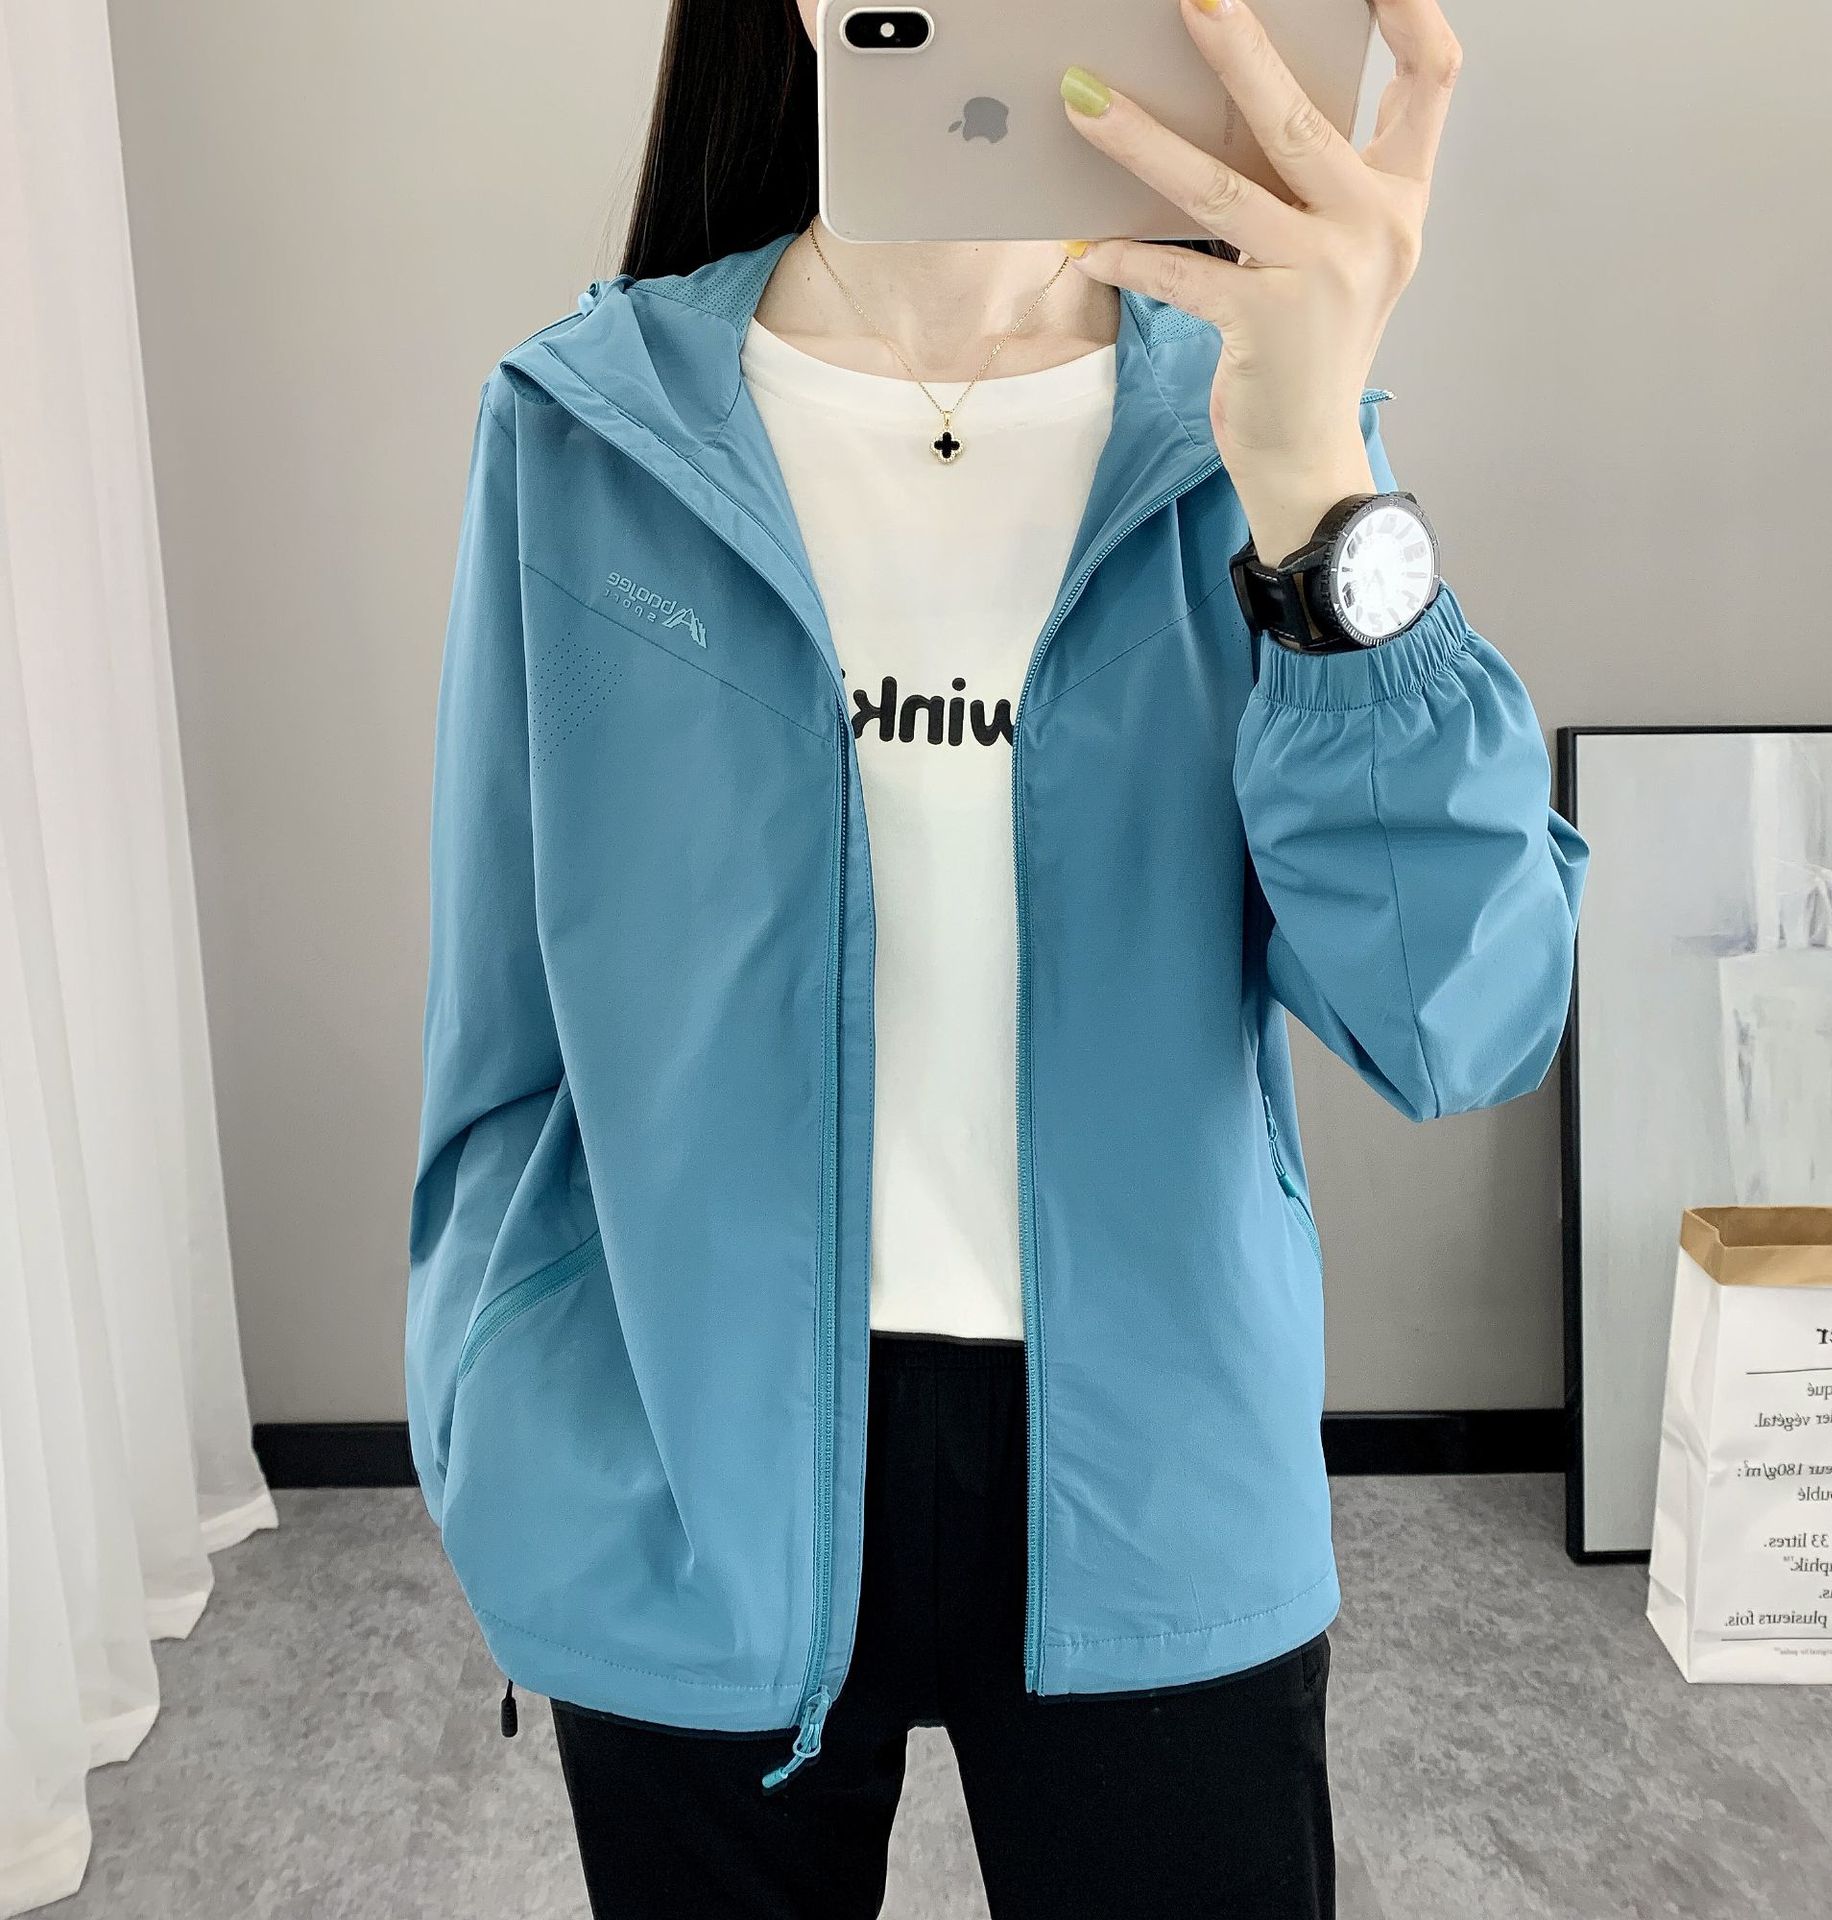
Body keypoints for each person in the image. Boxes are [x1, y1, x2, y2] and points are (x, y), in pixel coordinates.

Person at [404, 0, 1588, 1912]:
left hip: (1158, 1475)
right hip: (685, 1472)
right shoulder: (584, 424)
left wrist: (1314, 475)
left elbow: (1468, 1015)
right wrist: (505, 1410)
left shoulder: (1244, 426)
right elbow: (499, 1022)